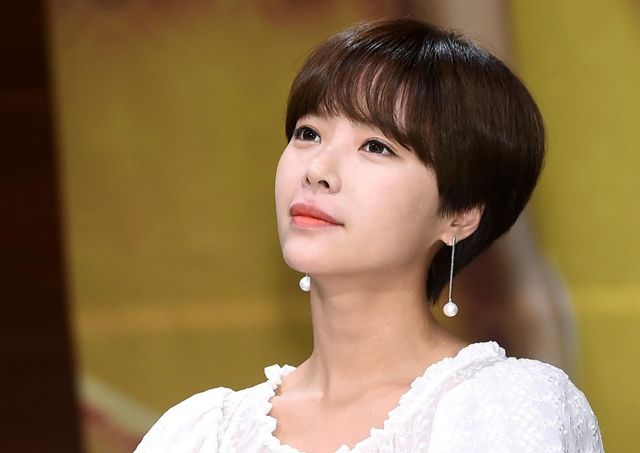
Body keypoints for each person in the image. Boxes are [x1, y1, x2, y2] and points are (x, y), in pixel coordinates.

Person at [134, 18, 603, 453]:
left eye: (376, 146)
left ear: (459, 216)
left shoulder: (503, 407)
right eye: (308, 133)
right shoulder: (201, 433)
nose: (318, 170)